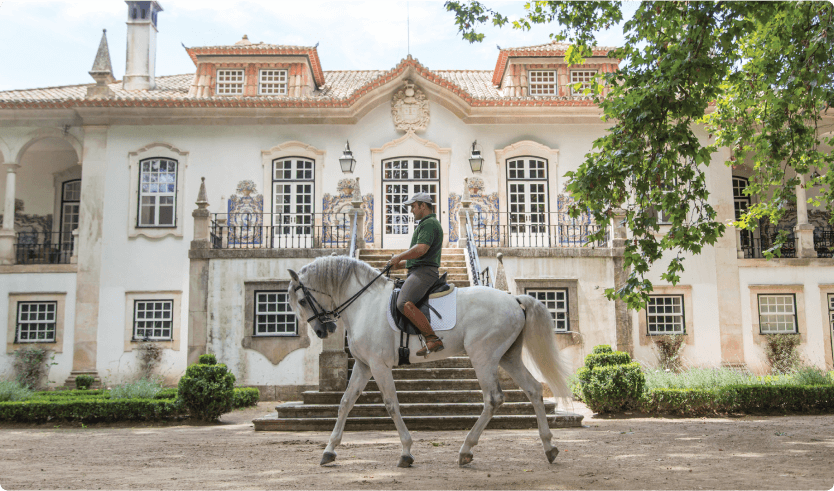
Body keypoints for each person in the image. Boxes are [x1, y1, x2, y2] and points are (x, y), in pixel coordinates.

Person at [387, 192, 444, 356]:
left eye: (413, 206)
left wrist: (399, 256)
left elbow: (421, 249)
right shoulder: (428, 223)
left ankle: (432, 338)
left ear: (423, 206)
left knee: (402, 302)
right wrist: (400, 265)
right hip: (421, 269)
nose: (411, 210)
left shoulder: (429, 224)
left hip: (424, 273)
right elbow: (421, 257)